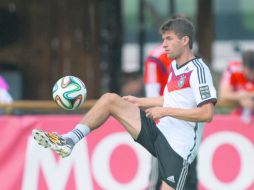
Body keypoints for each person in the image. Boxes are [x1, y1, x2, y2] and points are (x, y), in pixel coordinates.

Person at [32, 17, 217, 190]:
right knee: (110, 100)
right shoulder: (176, 66)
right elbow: (175, 99)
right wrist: (141, 101)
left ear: (185, 41)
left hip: (177, 150)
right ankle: (69, 140)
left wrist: (165, 111)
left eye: (169, 39)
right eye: (163, 39)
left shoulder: (199, 70)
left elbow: (206, 114)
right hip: (159, 132)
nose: (164, 44)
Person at [144, 45, 198, 190]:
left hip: (186, 126)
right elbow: (152, 97)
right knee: (162, 179)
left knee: (189, 177)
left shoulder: (191, 59)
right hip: (166, 127)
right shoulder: (156, 58)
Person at [219, 50, 254, 123]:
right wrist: (240, 98)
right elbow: (223, 95)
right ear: (243, 66)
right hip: (238, 116)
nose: (253, 75)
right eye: (250, 72)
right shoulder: (233, 68)